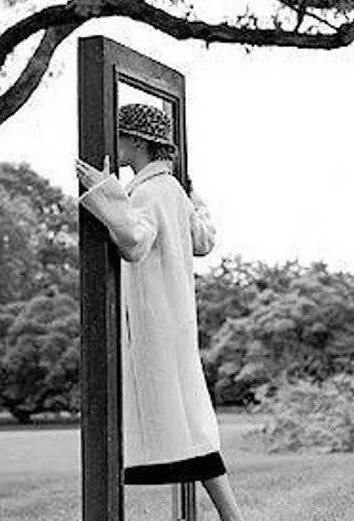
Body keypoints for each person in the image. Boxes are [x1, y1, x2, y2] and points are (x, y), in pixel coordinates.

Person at [74, 103, 246, 521]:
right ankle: (233, 517)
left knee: (172, 419)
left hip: (152, 321)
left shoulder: (150, 192)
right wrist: (196, 199)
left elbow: (133, 241)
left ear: (135, 141)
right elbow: (203, 239)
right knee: (189, 422)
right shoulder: (172, 191)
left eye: (120, 135)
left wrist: (104, 193)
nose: (114, 142)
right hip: (176, 319)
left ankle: (234, 518)